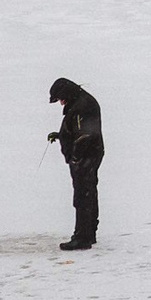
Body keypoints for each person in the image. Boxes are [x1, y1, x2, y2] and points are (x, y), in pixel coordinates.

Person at [46, 77, 104, 251]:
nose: (61, 103)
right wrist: (61, 135)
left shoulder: (82, 106)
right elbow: (79, 131)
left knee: (82, 196)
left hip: (86, 157)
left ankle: (82, 238)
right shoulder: (80, 102)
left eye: (60, 99)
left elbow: (85, 135)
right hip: (89, 155)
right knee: (88, 193)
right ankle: (89, 233)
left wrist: (76, 156)